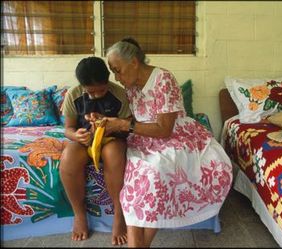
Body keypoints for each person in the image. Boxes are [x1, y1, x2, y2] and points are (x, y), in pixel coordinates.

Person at [102, 37, 233, 248]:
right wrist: (110, 123)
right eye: (114, 72)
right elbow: (137, 119)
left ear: (134, 62)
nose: (117, 77)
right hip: (143, 138)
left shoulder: (162, 78)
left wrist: (124, 126)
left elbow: (164, 130)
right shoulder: (131, 86)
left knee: (157, 170)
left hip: (174, 137)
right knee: (139, 175)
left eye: (118, 70)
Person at [59, 56, 130, 245]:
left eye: (102, 90)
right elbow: (68, 129)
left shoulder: (120, 94)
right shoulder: (73, 95)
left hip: (112, 139)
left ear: (108, 80)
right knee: (68, 158)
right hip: (85, 141)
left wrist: (107, 124)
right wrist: (77, 136)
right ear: (82, 86)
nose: (98, 95)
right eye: (91, 92)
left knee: (113, 154)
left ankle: (118, 216)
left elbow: (127, 126)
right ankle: (79, 215)